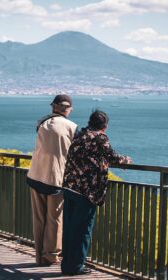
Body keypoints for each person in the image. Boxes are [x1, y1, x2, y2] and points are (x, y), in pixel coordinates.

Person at [61, 110, 131, 275]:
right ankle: (75, 267)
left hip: (70, 187)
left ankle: (66, 265)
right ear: (104, 127)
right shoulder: (100, 138)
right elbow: (112, 157)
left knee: (70, 228)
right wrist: (125, 160)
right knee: (83, 230)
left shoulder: (79, 136)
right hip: (87, 192)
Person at [26, 94, 78, 266]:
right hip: (55, 178)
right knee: (54, 219)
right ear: (69, 109)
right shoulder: (73, 127)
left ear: (53, 107)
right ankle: (50, 256)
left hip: (36, 175)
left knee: (39, 219)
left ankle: (39, 256)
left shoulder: (42, 123)